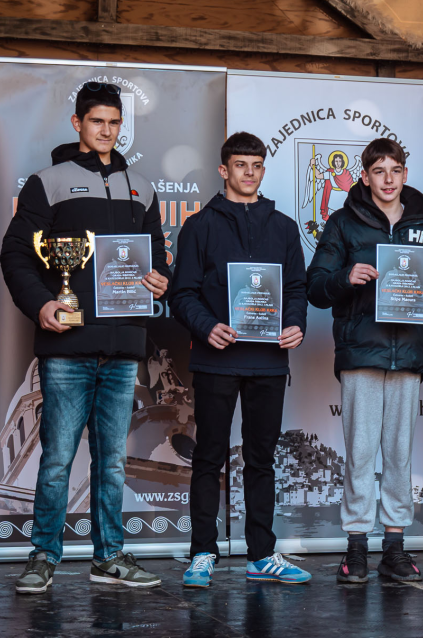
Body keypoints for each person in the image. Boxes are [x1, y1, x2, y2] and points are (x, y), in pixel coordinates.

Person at [0, 82, 172, 594]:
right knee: (56, 459)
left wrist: (161, 275)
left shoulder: (142, 187)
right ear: (77, 123)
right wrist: (42, 304)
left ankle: (109, 557)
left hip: (123, 348)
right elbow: (15, 254)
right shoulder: (47, 182)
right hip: (68, 346)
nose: (106, 131)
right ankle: (43, 556)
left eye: (114, 123)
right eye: (97, 121)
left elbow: (157, 254)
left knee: (112, 461)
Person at [307, 137, 423, 583]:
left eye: (395, 170)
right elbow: (316, 287)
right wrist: (346, 276)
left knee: (399, 453)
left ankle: (394, 547)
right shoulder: (344, 222)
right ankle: (355, 547)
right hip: (361, 351)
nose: (388, 180)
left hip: (408, 354)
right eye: (378, 172)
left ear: (404, 173)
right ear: (365, 176)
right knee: (360, 452)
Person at [170, 131, 311, 588]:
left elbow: (295, 289)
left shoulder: (285, 227)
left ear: (262, 171)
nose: (248, 173)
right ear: (223, 170)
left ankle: (261, 555)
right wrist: (206, 326)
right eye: (240, 165)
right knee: (209, 457)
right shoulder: (200, 226)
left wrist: (295, 324)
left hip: (269, 363)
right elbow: (182, 293)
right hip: (215, 360)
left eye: (256, 166)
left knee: (262, 459)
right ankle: (202, 552)